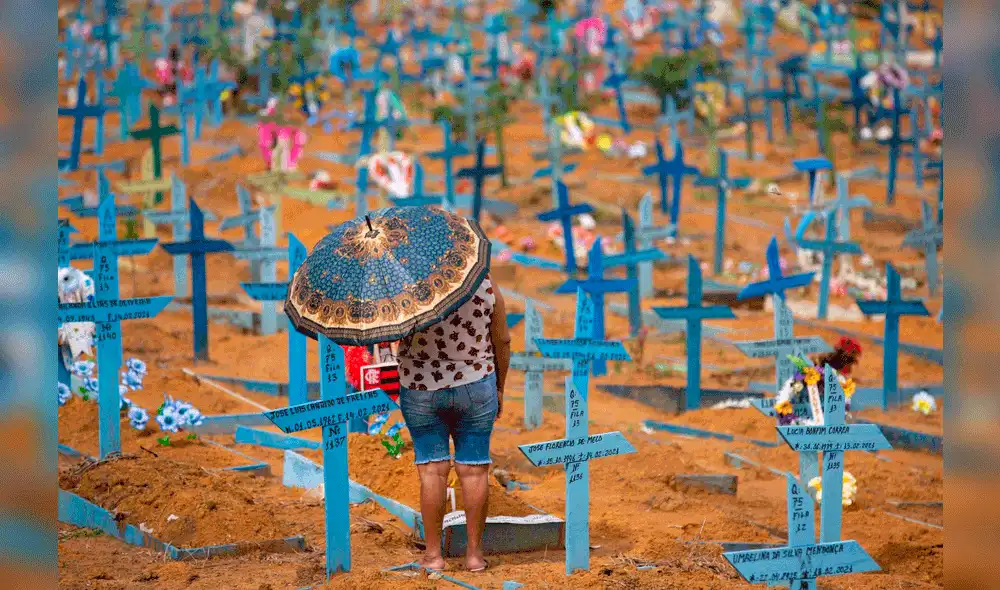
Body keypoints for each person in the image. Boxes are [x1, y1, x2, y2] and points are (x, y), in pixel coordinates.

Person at [396, 273, 510, 572]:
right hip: (476, 385)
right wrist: (499, 387)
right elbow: (502, 339)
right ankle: (474, 555)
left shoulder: (406, 286)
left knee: (432, 470)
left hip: (421, 388)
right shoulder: (485, 282)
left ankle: (434, 556)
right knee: (474, 471)